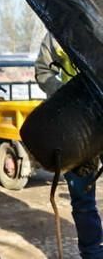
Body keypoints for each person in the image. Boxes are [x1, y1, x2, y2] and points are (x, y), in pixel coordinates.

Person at [35, 28, 103, 259]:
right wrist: (67, 96)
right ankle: (93, 253)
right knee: (83, 199)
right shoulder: (55, 33)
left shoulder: (96, 18)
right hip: (77, 129)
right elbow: (42, 70)